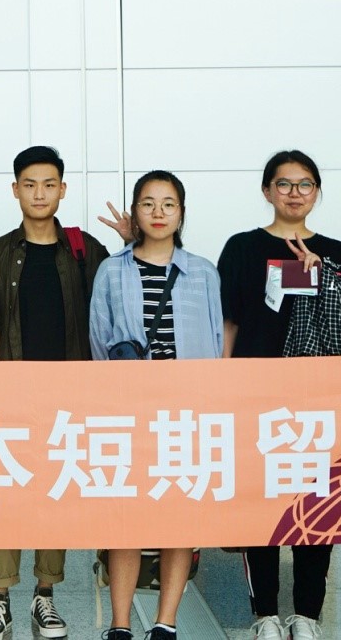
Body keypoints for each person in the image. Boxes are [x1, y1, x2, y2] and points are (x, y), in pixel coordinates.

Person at [216, 150, 341, 640]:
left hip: (319, 398)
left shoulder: (335, 251)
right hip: (256, 393)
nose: (294, 193)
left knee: (317, 502)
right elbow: (229, 320)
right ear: (267, 191)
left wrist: (325, 275)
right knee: (261, 502)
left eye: (305, 184)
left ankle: (307, 615)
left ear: (317, 192)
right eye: (284, 184)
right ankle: (265, 614)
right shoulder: (242, 247)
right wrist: (224, 382)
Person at [0, 145, 110, 640]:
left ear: (62, 189)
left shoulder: (85, 249)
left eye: (49, 184)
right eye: (30, 184)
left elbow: (114, 302)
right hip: (11, 395)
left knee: (55, 490)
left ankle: (44, 595)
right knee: (5, 492)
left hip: (69, 397)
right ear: (15, 190)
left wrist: (132, 240)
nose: (40, 193)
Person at [89, 171, 222, 640]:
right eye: (148, 203)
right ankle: (120, 623)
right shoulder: (112, 270)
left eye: (169, 204)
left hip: (186, 412)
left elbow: (214, 342)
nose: (159, 213)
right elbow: (99, 341)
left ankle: (166, 621)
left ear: (182, 213)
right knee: (125, 516)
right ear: (135, 211)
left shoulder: (203, 271)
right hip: (128, 411)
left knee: (179, 514)